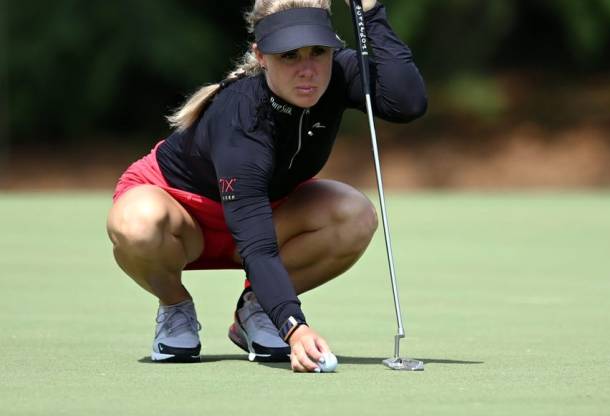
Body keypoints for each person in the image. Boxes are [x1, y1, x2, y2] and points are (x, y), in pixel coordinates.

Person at [106, 0, 427, 372]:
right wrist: (295, 327)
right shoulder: (242, 116)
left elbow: (407, 101)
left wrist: (372, 12)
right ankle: (175, 306)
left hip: (268, 213)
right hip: (181, 215)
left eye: (318, 52)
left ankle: (255, 309)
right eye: (289, 56)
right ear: (260, 55)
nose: (308, 70)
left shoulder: (338, 74)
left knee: (354, 215)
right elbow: (257, 246)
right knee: (136, 223)